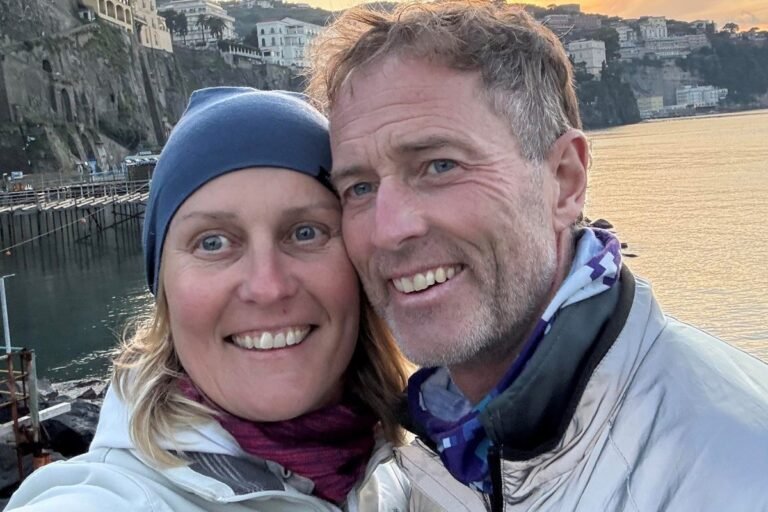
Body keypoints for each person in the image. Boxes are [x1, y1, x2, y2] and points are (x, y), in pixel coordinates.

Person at [307, 2, 768, 511]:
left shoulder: (738, 470)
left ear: (565, 180)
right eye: (360, 187)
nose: (388, 230)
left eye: (440, 165)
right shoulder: (427, 465)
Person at [5, 87, 412, 512]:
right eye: (213, 242)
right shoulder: (114, 500)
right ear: (164, 289)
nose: (267, 286)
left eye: (306, 232)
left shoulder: (385, 472)